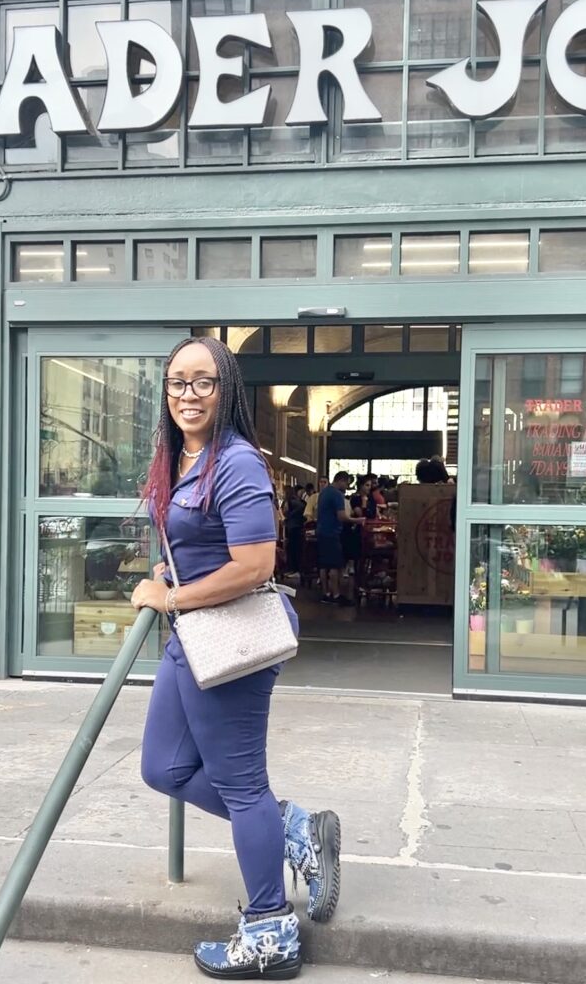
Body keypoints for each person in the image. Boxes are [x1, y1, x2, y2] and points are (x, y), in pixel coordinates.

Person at [130, 337, 341, 980]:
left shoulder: (238, 461)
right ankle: (295, 828)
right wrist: (174, 569)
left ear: (226, 389)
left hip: (230, 642)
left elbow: (255, 565)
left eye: (202, 382)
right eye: (176, 382)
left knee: (240, 786)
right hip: (190, 637)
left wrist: (171, 594)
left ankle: (271, 930)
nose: (187, 395)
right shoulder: (180, 457)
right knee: (163, 767)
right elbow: (199, 539)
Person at [315, 470, 365, 605]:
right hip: (332, 532)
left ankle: (326, 593)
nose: (347, 487)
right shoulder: (337, 495)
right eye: (347, 484)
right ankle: (336, 595)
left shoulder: (323, 493)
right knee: (335, 565)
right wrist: (358, 520)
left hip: (321, 531)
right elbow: (342, 516)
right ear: (341, 480)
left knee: (324, 565)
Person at [281, 484, 306, 578]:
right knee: (291, 549)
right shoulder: (292, 501)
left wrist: (291, 515)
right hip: (293, 527)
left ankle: (296, 569)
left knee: (294, 549)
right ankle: (293, 569)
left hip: (295, 528)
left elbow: (301, 507)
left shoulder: (293, 501)